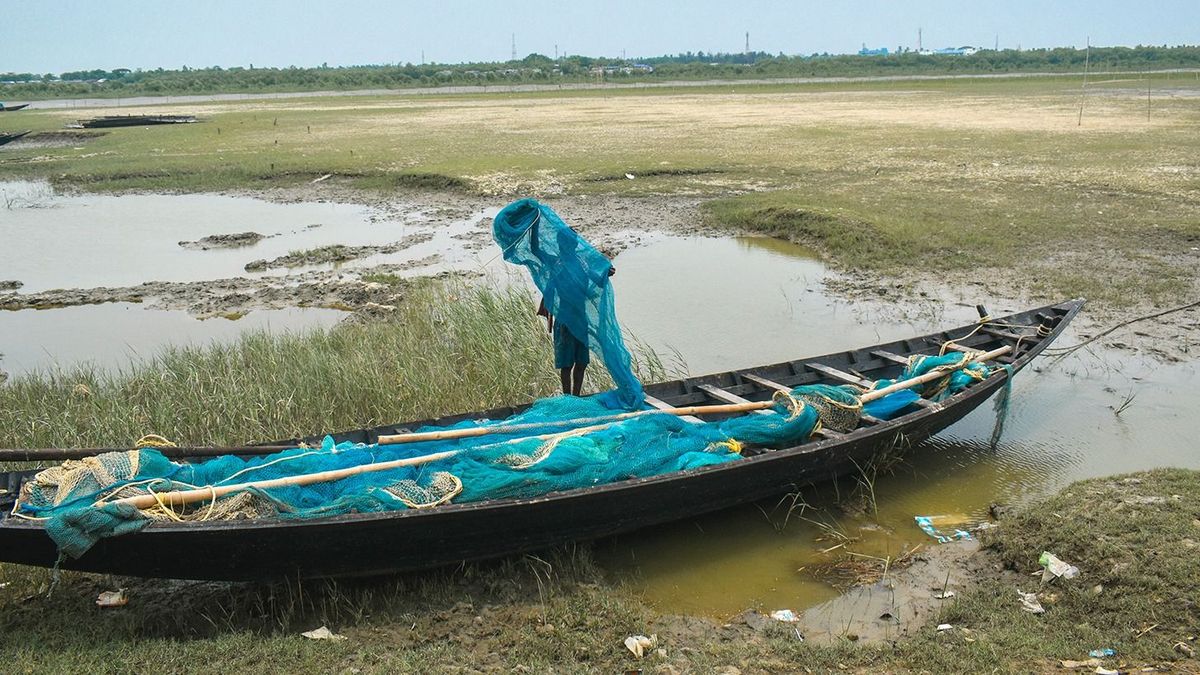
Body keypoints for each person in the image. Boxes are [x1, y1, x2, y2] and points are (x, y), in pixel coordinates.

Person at [537, 263, 615, 396]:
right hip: (565, 321)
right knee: (566, 364)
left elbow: (598, 281)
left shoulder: (583, 268)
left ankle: (576, 397)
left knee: (581, 362)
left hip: (580, 319)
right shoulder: (558, 270)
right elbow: (549, 289)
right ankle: (568, 397)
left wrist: (606, 272)